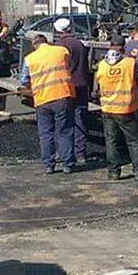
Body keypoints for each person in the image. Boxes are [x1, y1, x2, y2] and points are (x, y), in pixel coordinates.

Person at [94, 36, 138, 180]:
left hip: (107, 108)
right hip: (127, 108)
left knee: (111, 141)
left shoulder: (102, 65)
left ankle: (113, 173)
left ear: (110, 46)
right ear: (124, 47)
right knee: (134, 141)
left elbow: (98, 83)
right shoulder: (129, 63)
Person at [21, 30, 75, 173]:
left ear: (34, 45)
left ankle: (49, 165)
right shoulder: (61, 51)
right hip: (62, 95)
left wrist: (31, 86)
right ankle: (67, 164)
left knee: (46, 133)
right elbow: (68, 66)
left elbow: (23, 80)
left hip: (42, 98)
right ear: (47, 42)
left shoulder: (29, 59)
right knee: (64, 131)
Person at [53, 16, 91, 168]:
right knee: (80, 118)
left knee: (63, 121)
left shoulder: (59, 46)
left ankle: (63, 152)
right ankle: (80, 152)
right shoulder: (79, 44)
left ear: (58, 30)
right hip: (81, 84)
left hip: (66, 87)